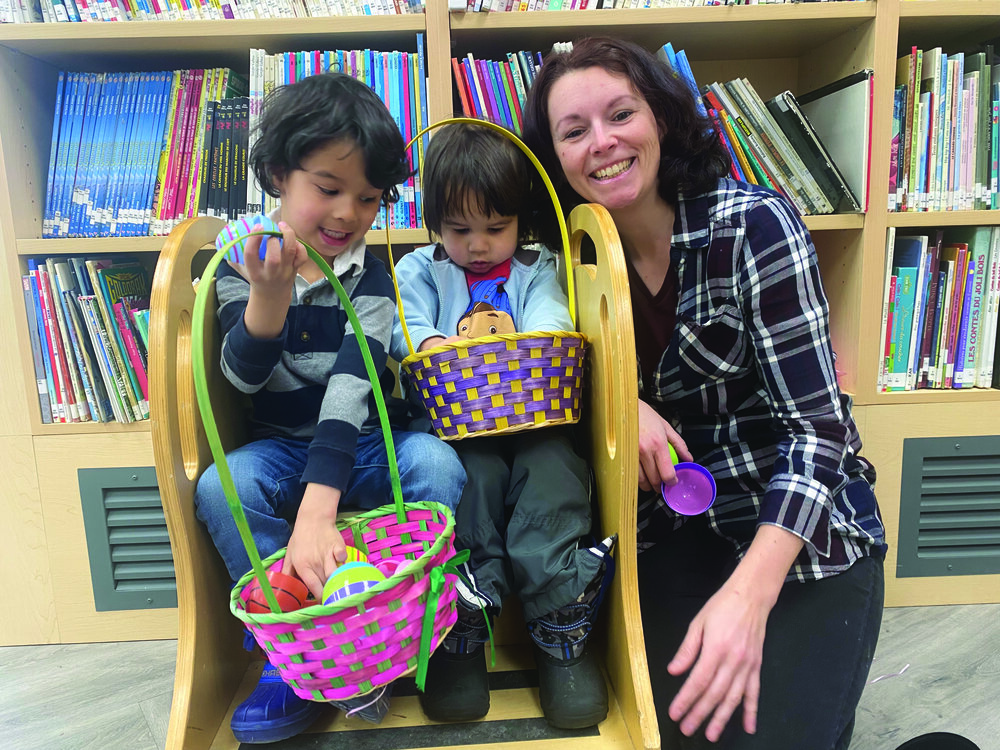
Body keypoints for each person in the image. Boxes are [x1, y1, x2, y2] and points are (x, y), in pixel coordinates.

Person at [523, 37, 887, 750]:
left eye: (620, 114)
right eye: (574, 131)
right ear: (555, 157)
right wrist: (620, 400)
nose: (602, 143)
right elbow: (546, 391)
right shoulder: (567, 260)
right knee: (674, 734)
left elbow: (820, 437)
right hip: (671, 535)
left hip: (798, 531)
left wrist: (750, 598)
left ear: (659, 116)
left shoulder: (753, 225)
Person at [193, 72, 467, 745]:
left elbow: (355, 386)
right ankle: (293, 646)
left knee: (436, 461)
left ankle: (431, 622)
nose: (348, 214)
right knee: (224, 487)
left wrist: (320, 510)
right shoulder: (239, 262)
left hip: (366, 446)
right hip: (284, 448)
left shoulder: (370, 274)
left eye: (369, 199)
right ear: (280, 175)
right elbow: (241, 381)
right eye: (328, 188)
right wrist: (268, 298)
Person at [389, 122, 616, 729]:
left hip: (536, 421)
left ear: (520, 221)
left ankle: (559, 626)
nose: (480, 245)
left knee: (556, 475)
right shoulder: (419, 269)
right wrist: (435, 339)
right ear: (435, 223)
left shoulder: (536, 267)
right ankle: (464, 626)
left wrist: (532, 338)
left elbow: (552, 318)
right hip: (457, 429)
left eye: (496, 228)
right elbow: (402, 325)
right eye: (460, 231)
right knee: (467, 484)